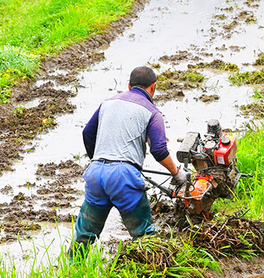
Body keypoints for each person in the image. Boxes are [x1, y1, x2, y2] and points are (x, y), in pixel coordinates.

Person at [71, 66, 188, 255]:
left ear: (129, 85)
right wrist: (176, 173)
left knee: (83, 238)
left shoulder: (107, 103)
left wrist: (99, 159)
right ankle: (150, 275)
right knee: (145, 237)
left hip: (95, 173)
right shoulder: (152, 112)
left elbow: (87, 132)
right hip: (122, 176)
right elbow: (158, 150)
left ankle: (71, 273)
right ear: (153, 88)